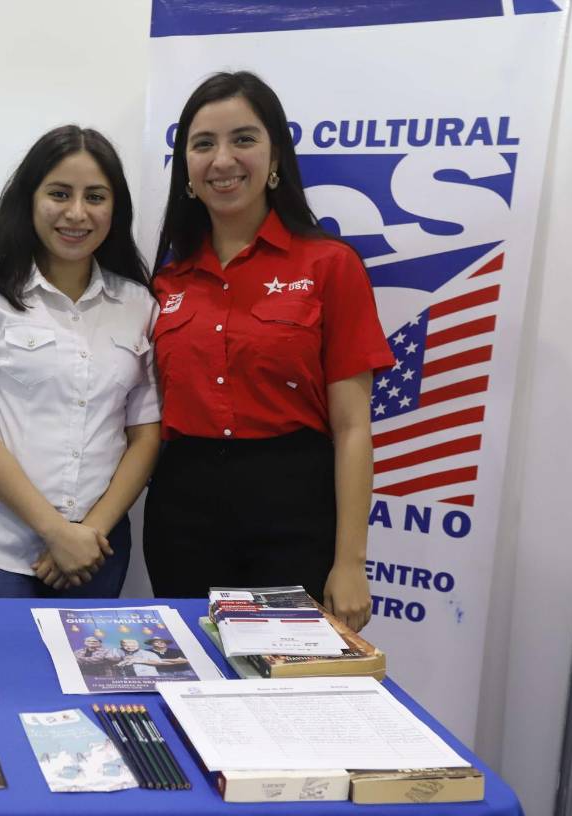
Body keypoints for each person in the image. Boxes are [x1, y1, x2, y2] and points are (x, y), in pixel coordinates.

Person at [144, 71, 393, 632]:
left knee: (286, 684)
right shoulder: (166, 281)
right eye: (203, 144)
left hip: (293, 506)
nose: (223, 159)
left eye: (244, 139)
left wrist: (350, 562)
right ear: (185, 167)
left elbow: (353, 427)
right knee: (192, 674)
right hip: (183, 508)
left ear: (275, 153)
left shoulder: (329, 265)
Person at [0, 125, 161, 598]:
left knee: (92, 675)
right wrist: (56, 532)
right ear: (30, 198)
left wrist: (88, 534)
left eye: (95, 197)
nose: (76, 213)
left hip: (97, 548)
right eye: (59, 193)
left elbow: (145, 433)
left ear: (114, 207)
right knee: (0, 674)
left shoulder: (138, 304)